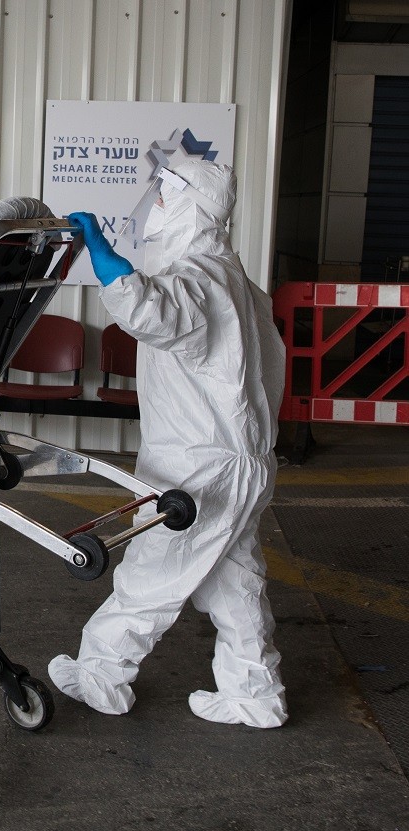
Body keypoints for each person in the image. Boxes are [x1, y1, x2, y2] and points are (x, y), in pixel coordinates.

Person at [51, 159, 287, 728]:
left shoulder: (202, 280)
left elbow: (151, 312)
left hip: (200, 467)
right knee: (235, 580)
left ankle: (102, 675)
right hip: (242, 459)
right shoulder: (239, 284)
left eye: (162, 196)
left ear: (189, 205)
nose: (152, 207)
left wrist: (101, 253)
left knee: (151, 573)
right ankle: (254, 692)